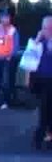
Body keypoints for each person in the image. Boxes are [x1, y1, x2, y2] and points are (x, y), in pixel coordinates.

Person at [32, 16, 52, 150]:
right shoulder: (39, 41)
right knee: (44, 108)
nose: (47, 30)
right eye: (45, 28)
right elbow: (30, 57)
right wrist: (38, 40)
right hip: (43, 79)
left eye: (49, 28)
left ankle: (49, 136)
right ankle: (39, 136)